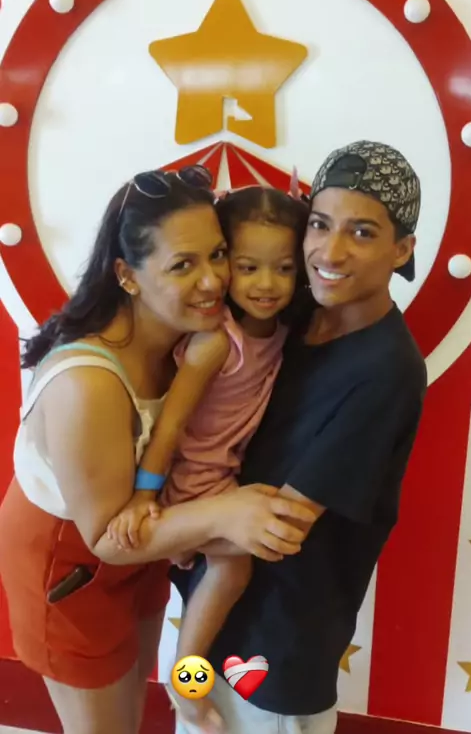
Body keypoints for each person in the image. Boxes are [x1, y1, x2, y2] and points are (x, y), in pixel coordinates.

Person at [0, 166, 317, 734]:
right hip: (71, 562)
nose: (212, 280)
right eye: (182, 265)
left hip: (147, 539)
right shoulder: (88, 384)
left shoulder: (194, 334)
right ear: (127, 275)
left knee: (133, 709)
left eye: (217, 255)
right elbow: (106, 536)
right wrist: (225, 512)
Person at [173, 141, 428, 734]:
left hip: (274, 650)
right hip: (211, 611)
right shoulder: (294, 312)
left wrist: (158, 526)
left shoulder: (386, 370)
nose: (329, 251)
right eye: (319, 224)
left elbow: (276, 526)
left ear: (402, 249)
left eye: (362, 232)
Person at [106, 186, 309, 730]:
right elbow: (170, 424)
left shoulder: (283, 332)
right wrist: (144, 496)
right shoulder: (218, 341)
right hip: (196, 479)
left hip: (226, 475)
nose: (266, 284)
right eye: (247, 267)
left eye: (284, 269)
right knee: (233, 567)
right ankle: (185, 679)